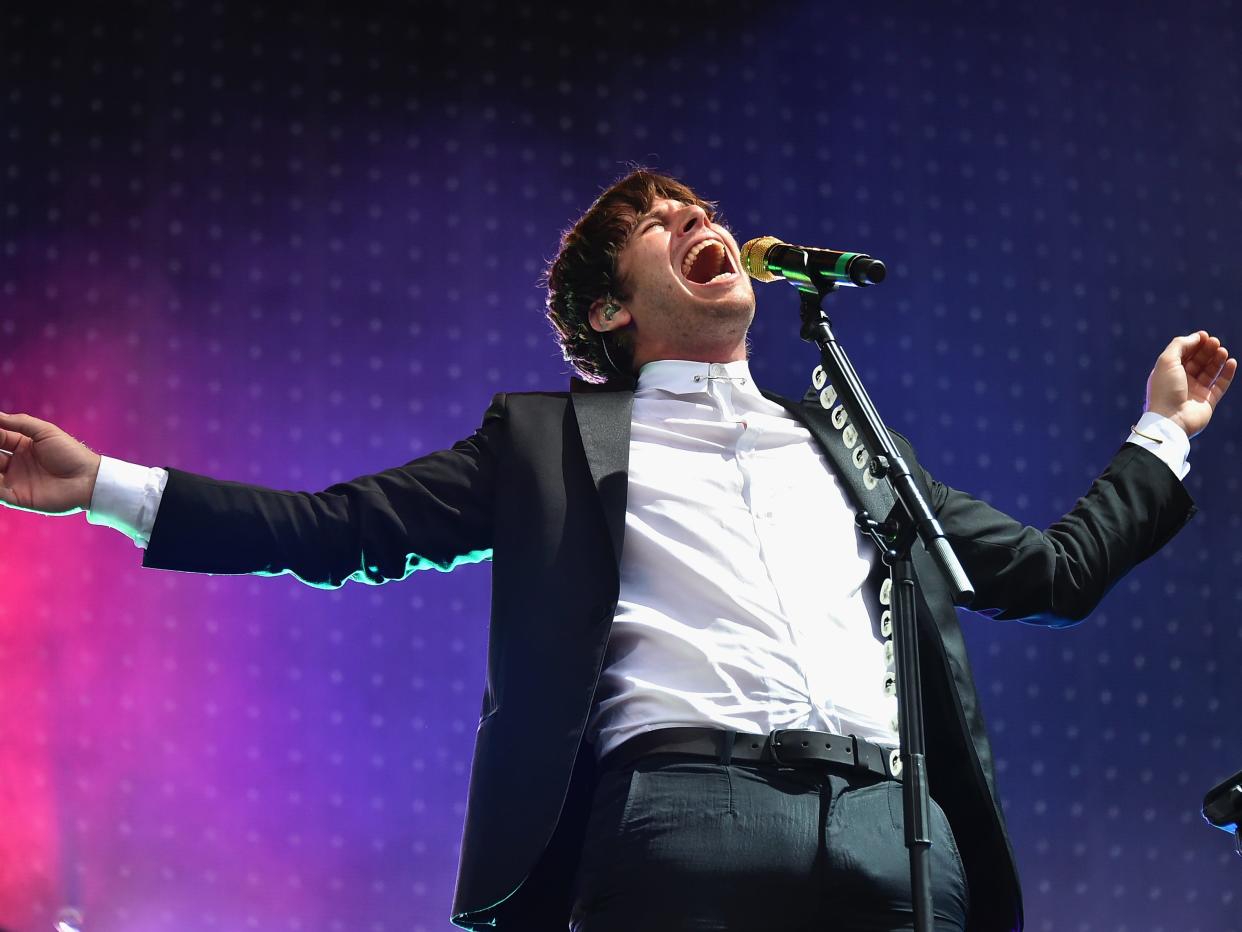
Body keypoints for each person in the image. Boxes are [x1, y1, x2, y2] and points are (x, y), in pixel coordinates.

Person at [0, 170, 1234, 932]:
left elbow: (1051, 574)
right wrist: (105, 485)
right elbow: (339, 530)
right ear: (610, 311)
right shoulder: (547, 442)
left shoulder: (850, 440)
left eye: (700, 205)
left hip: (895, 828)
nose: (700, 216)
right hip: (683, 821)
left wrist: (1162, 429)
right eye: (658, 221)